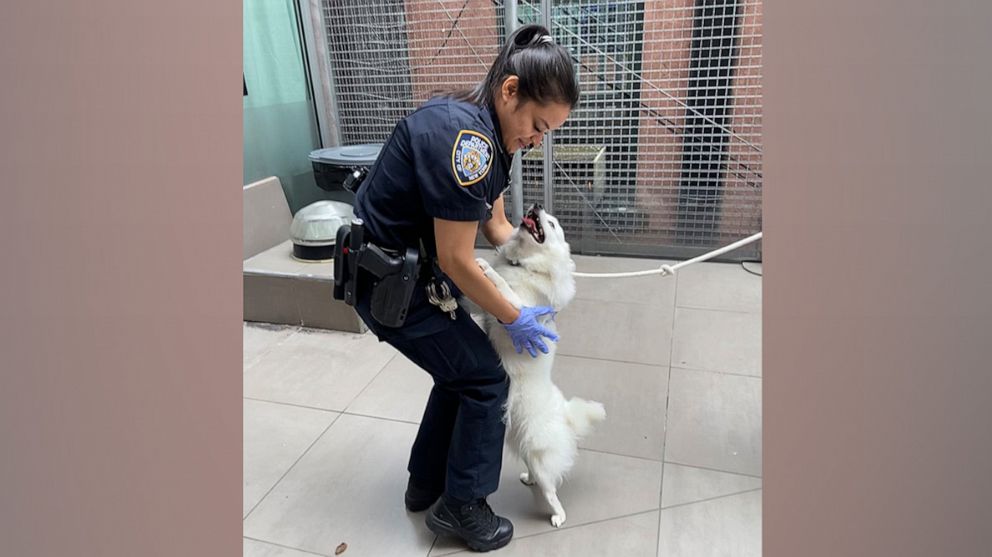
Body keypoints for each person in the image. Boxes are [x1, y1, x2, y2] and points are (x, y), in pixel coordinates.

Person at [347, 24, 578, 552]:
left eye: (548, 133)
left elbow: (494, 229)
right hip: (389, 285)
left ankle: (425, 484)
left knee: (459, 373)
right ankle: (463, 507)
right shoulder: (469, 145)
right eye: (538, 126)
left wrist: (539, 251)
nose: (538, 139)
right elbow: (456, 257)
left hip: (407, 277)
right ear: (511, 90)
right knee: (485, 380)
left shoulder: (495, 139)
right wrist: (515, 315)